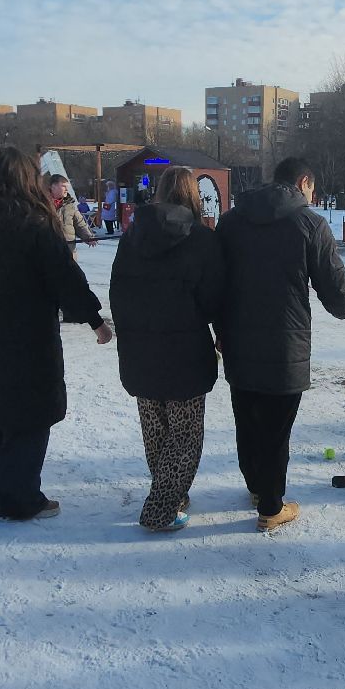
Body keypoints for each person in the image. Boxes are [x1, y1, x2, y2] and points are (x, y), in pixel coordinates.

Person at [0, 145, 112, 521]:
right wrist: (95, 320)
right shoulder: (34, 220)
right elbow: (63, 277)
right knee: (30, 413)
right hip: (27, 334)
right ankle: (17, 497)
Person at [216, 156, 345, 530]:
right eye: (313, 189)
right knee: (277, 428)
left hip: (238, 342)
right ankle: (271, 506)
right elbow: (336, 292)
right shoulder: (310, 223)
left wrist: (219, 328)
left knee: (248, 418)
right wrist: (342, 306)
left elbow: (213, 281)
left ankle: (257, 486)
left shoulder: (230, 222)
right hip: (285, 345)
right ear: (304, 182)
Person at [110, 166, 225, 532]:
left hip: (139, 349)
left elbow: (117, 292)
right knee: (185, 432)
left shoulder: (131, 238)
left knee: (155, 428)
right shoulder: (201, 240)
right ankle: (163, 505)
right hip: (185, 350)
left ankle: (170, 489)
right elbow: (213, 299)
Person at [49, 173, 99, 257]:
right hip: (48, 251)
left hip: (68, 251)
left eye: (67, 187)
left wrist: (89, 237)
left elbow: (80, 224)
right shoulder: (41, 205)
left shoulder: (70, 205)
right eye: (63, 186)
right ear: (53, 186)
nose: (66, 189)